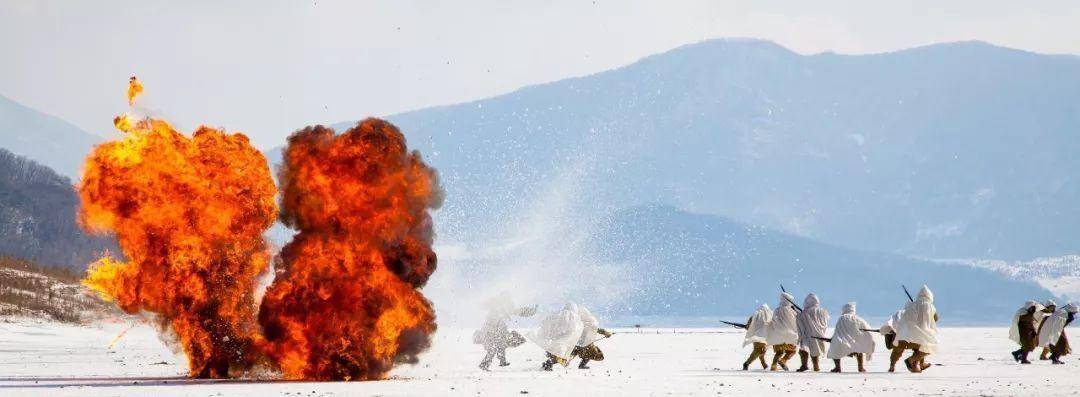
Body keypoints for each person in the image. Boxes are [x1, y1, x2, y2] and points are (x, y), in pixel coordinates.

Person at [531, 302, 611, 371]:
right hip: (577, 344)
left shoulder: (563, 318)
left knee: (564, 355)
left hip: (573, 344)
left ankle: (549, 363)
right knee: (592, 353)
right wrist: (604, 332)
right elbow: (591, 327)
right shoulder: (575, 319)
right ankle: (549, 363)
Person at [475, 292, 537, 371]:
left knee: (500, 345)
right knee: (494, 348)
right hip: (491, 331)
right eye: (507, 299)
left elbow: (519, 312)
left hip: (497, 331)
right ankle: (485, 364)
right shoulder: (496, 308)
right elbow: (516, 312)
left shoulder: (502, 308)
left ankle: (501, 362)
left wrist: (531, 311)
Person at [891, 285, 938, 373]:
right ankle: (911, 360)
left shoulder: (911, 305)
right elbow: (936, 319)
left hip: (905, 335)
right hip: (919, 335)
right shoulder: (931, 307)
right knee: (929, 345)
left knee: (899, 349)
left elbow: (905, 317)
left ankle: (894, 365)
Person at [826, 302, 875, 373]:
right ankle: (861, 367)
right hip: (856, 341)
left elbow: (837, 331)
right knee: (859, 349)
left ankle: (837, 368)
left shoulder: (841, 318)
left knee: (835, 348)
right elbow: (866, 328)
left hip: (842, 342)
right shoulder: (858, 318)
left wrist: (833, 339)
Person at [795, 293, 829, 372]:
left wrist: (797, 312)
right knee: (815, 351)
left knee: (804, 350)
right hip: (818, 334)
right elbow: (824, 322)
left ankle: (804, 365)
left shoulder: (805, 312)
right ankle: (816, 367)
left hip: (807, 334)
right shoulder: (823, 311)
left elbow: (800, 318)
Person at [766, 293, 799, 371]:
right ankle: (783, 361)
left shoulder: (777, 309)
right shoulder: (791, 310)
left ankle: (773, 366)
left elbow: (774, 320)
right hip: (789, 335)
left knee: (779, 352)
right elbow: (796, 320)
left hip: (777, 334)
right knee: (792, 351)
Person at [742, 304, 773, 370]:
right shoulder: (769, 317)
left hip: (756, 337)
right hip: (763, 337)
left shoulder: (754, 316)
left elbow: (748, 327)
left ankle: (765, 365)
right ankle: (747, 363)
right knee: (760, 351)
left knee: (760, 351)